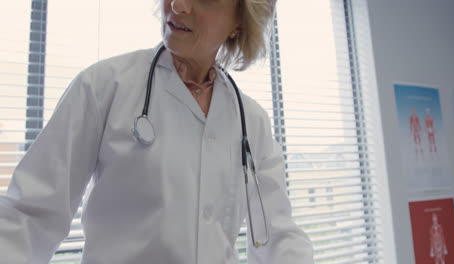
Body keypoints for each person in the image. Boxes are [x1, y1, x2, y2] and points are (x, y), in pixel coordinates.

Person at [0, 0, 315, 263]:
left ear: (239, 23)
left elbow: (279, 236)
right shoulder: (104, 87)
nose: (177, 5)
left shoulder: (252, 122)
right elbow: (28, 218)